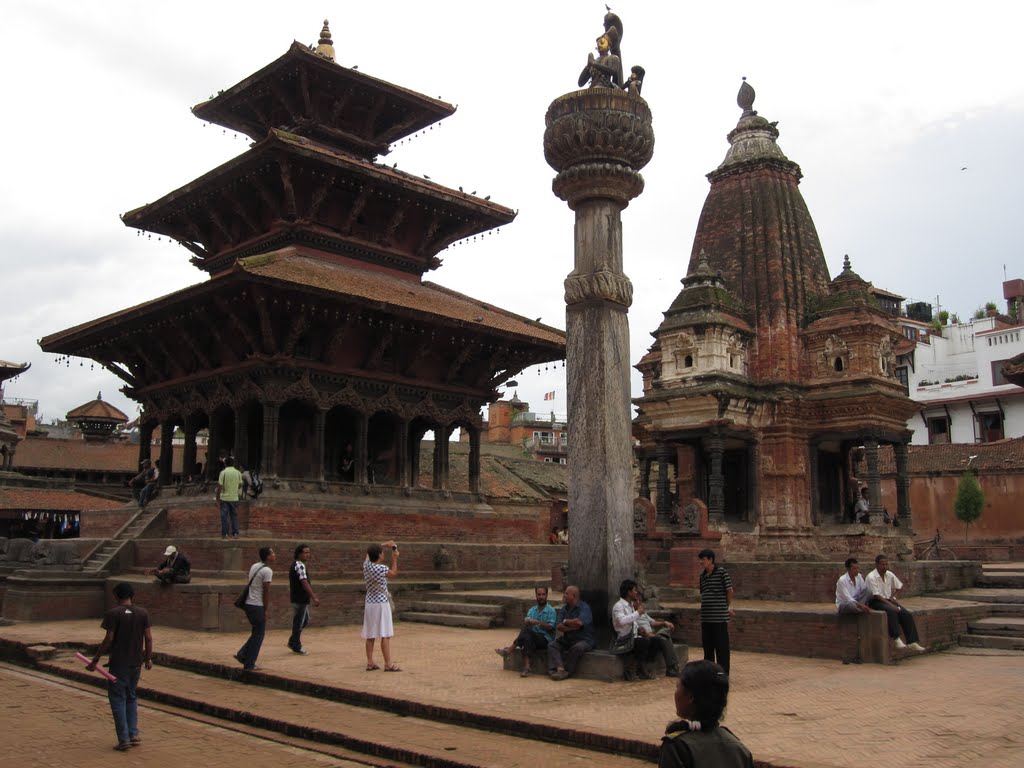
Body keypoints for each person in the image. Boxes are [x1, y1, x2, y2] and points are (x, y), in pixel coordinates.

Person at [86, 582, 153, 751]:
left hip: (118, 664)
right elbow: (149, 638)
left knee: (118, 699)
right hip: (135, 663)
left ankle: (124, 738)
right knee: (131, 696)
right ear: (131, 595)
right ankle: (133, 733)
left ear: (116, 596)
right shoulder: (142, 613)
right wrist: (148, 659)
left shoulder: (113, 614)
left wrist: (95, 659)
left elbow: (109, 638)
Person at [659, 660, 754, 768]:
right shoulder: (738, 748)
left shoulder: (677, 748)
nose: (675, 693)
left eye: (677, 687)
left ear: (690, 697)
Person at [865, 554, 926, 652]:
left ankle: (912, 642)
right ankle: (896, 638)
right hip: (875, 601)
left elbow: (899, 587)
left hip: (887, 600)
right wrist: (892, 605)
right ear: (877, 565)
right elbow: (876, 595)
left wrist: (893, 597)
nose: (884, 567)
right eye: (882, 565)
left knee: (906, 614)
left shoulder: (889, 574)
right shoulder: (871, 577)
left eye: (886, 564)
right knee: (891, 611)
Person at [495, 585, 556, 677]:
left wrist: (538, 622)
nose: (541, 597)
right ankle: (526, 667)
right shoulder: (532, 610)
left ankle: (510, 649)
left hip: (545, 639)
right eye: (539, 594)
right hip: (532, 638)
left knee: (527, 633)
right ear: (536, 595)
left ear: (546, 595)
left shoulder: (551, 610)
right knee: (527, 636)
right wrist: (527, 621)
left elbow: (551, 627)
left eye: (543, 594)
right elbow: (526, 623)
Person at [363, 539, 400, 671]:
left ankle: (370, 662)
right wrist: (394, 558)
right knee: (385, 633)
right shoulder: (381, 568)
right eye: (382, 553)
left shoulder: (366, 565)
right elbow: (393, 573)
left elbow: (368, 553)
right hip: (381, 603)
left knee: (370, 634)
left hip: (369, 602)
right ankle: (388, 663)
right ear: (379, 555)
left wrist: (383, 545)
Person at [235, 546, 274, 670]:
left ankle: (243, 654)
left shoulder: (254, 566)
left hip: (248, 603)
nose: (274, 555)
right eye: (272, 553)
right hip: (257, 605)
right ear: (268, 556)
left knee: (256, 632)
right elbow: (266, 591)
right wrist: (265, 609)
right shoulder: (267, 571)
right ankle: (249, 663)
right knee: (259, 634)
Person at [698, 549, 734, 675]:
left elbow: (729, 591)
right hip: (706, 618)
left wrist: (726, 606)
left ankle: (722, 673)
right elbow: (703, 593)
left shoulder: (721, 572)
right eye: (700, 559)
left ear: (711, 560)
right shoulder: (702, 576)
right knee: (708, 648)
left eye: (703, 559)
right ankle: (710, 673)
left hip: (719, 618)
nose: (701, 562)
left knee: (721, 648)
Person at [547, 585, 595, 680]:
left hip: (584, 639)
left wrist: (566, 621)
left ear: (574, 596)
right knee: (552, 645)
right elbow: (559, 626)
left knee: (578, 648)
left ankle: (567, 671)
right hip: (569, 639)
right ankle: (560, 669)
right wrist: (573, 628)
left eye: (566, 593)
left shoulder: (584, 607)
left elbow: (579, 622)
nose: (564, 595)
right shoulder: (564, 609)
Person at [613, 579, 656, 681]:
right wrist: (638, 613)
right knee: (643, 642)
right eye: (634, 590)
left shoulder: (631, 606)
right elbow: (622, 621)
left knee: (655, 640)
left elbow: (633, 623)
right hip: (624, 638)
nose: (636, 593)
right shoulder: (618, 606)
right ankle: (631, 670)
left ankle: (642, 667)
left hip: (634, 636)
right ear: (629, 592)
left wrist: (639, 629)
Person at [287, 543, 320, 654]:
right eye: (305, 553)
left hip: (299, 598)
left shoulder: (297, 565)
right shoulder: (299, 565)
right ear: (299, 554)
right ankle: (296, 645)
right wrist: (313, 597)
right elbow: (304, 582)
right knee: (299, 622)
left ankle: (293, 640)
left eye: (308, 552)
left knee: (303, 620)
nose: (308, 555)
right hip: (300, 598)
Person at [637, 596, 681, 677]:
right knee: (665, 638)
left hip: (654, 633)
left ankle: (672, 667)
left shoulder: (643, 613)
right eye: (637, 601)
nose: (640, 602)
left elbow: (653, 622)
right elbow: (639, 631)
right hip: (647, 635)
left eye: (639, 600)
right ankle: (672, 667)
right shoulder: (633, 614)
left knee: (665, 631)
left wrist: (664, 622)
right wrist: (648, 634)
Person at [216, 456, 243, 539]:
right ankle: (235, 533)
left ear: (225, 464)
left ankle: (225, 534)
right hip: (234, 498)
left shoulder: (223, 473)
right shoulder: (238, 473)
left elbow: (220, 486)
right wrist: (235, 489)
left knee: (224, 516)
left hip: (224, 498)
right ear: (233, 463)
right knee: (234, 516)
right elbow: (240, 484)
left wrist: (217, 498)